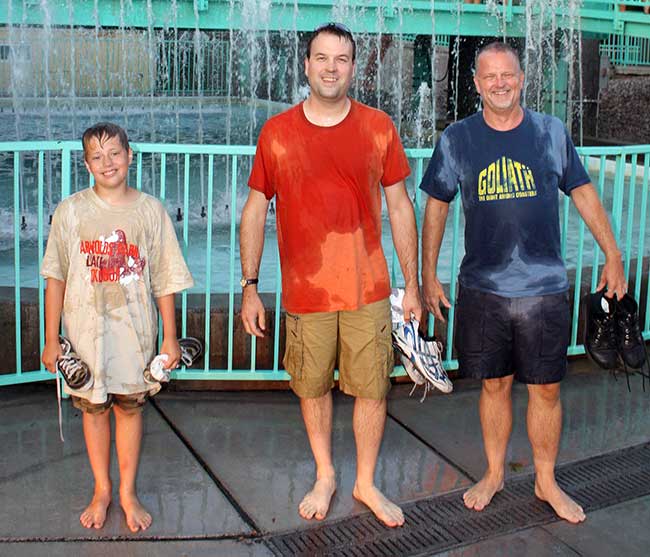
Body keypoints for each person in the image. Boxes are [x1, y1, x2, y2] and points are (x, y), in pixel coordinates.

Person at [420, 42, 625, 524]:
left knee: (547, 390)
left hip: (544, 289)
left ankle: (546, 478)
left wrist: (613, 254)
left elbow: (583, 192)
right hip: (485, 289)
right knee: (494, 386)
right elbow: (436, 206)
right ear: (476, 84)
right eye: (489, 77)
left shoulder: (550, 133)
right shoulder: (457, 139)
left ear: (522, 77)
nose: (499, 84)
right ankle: (494, 473)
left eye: (507, 75)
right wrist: (427, 275)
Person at [240, 23, 421, 528]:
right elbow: (255, 210)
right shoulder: (277, 132)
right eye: (322, 58)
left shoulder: (378, 126)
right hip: (305, 291)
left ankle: (365, 480)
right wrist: (249, 286)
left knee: (372, 389)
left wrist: (413, 287)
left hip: (368, 288)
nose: (331, 67)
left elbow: (401, 207)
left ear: (353, 67)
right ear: (306, 65)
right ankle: (325, 473)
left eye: (342, 59)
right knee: (312, 387)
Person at [41, 122, 193, 532]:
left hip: (134, 334)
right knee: (94, 411)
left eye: (115, 153)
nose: (107, 162)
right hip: (86, 335)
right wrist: (50, 337)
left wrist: (170, 335)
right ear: (86, 163)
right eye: (97, 156)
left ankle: (127, 490)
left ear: (129, 155)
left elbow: (164, 279)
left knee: (129, 408)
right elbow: (55, 276)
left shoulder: (150, 211)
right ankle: (102, 488)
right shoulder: (71, 211)